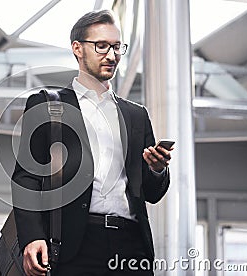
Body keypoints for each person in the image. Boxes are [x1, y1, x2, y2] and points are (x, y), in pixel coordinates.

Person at [12, 9, 173, 276]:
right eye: (101, 46)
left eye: (117, 47)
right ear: (77, 48)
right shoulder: (49, 104)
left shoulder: (136, 115)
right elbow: (26, 176)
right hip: (76, 244)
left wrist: (157, 168)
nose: (112, 56)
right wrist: (32, 235)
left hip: (132, 247)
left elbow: (152, 193)